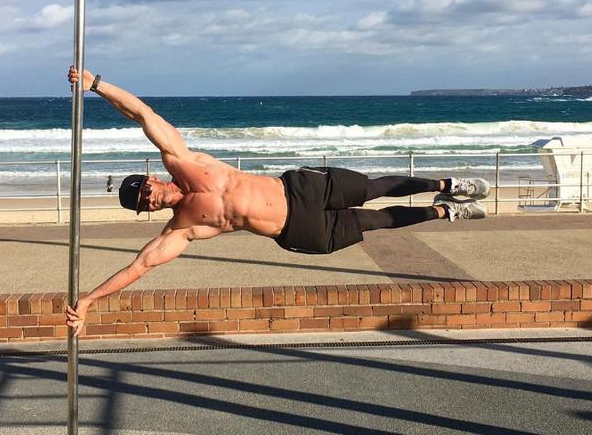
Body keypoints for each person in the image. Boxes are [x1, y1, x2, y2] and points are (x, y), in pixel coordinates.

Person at [65, 67, 489, 334]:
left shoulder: (184, 161)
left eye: (145, 191)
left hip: (301, 189)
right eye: (145, 204)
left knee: (374, 188)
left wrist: (96, 84)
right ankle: (445, 211)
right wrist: (88, 301)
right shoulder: (184, 227)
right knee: (375, 223)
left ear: (152, 178)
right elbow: (140, 266)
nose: (151, 200)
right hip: (297, 229)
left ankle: (448, 183)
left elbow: (143, 114)